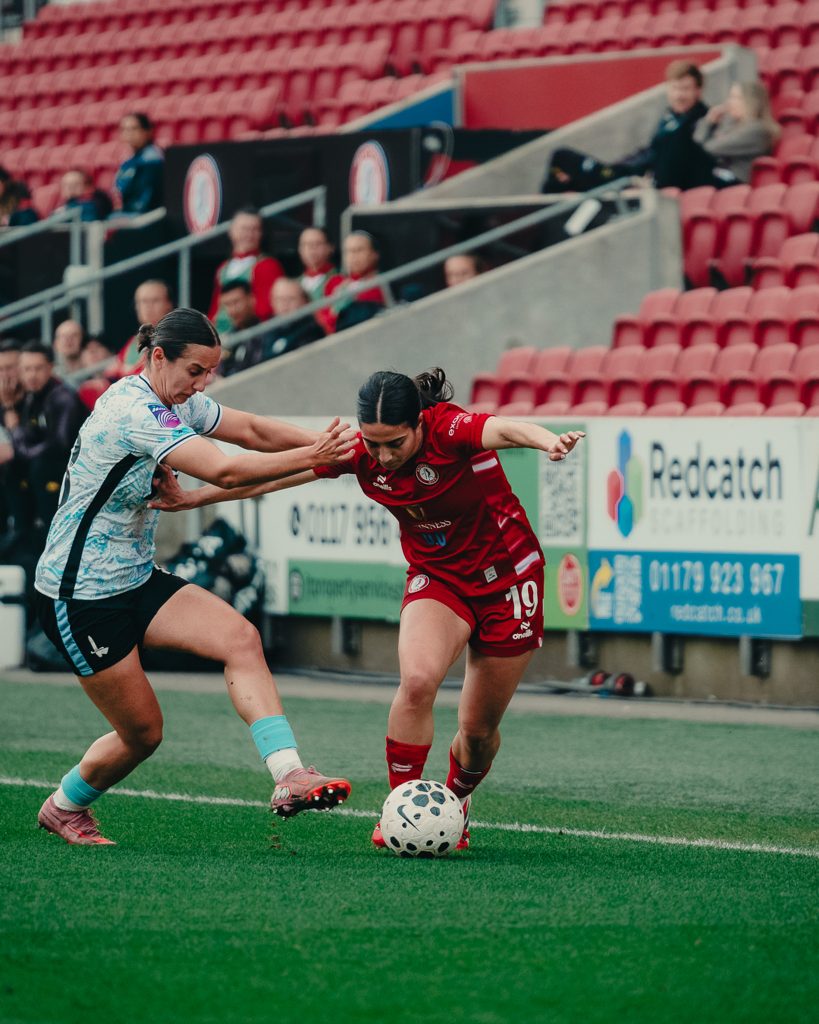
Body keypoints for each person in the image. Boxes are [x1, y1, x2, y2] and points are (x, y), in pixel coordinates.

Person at [149, 367, 585, 852]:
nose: (383, 456)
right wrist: (194, 498)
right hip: (439, 578)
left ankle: (457, 801)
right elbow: (278, 478)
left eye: (394, 443)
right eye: (374, 444)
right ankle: (403, 808)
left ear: (419, 424)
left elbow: (504, 429)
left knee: (478, 732)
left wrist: (549, 442)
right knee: (416, 681)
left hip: (510, 581)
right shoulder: (363, 454)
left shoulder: (449, 429)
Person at [33, 308, 356, 846]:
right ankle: (64, 807)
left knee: (240, 639)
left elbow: (251, 430)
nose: (203, 384)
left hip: (136, 578)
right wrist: (315, 454)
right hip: (79, 595)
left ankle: (290, 775)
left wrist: (335, 447)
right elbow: (224, 469)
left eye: (210, 371)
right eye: (196, 371)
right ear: (158, 357)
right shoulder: (134, 410)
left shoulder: (174, 396)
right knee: (142, 734)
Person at [541, 61, 711, 193]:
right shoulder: (670, 117)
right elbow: (650, 151)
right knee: (562, 167)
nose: (679, 95)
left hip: (633, 182)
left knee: (563, 160)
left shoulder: (699, 120)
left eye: (685, 89)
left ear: (698, 91)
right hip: (621, 172)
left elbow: (683, 163)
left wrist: (645, 182)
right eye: (675, 88)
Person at [8, 342, 88, 551]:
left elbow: (59, 445)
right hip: (47, 468)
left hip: (76, 471)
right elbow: (29, 439)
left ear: (50, 368)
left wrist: (17, 435)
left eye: (38, 368)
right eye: (27, 369)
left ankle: (49, 539)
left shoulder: (63, 397)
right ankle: (21, 533)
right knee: (11, 468)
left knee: (39, 466)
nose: (32, 375)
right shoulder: (31, 398)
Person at [224, 278, 324, 377]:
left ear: (304, 301)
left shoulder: (311, 330)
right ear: (272, 302)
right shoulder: (266, 333)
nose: (284, 304)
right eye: (279, 299)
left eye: (291, 299)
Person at [207, 208, 284, 334]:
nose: (249, 235)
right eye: (244, 229)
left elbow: (265, 310)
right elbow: (215, 310)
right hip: (219, 335)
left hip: (248, 334)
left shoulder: (267, 265)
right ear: (231, 231)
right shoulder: (223, 268)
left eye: (255, 229)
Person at [692, 81, 779, 187]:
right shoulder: (734, 123)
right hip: (721, 175)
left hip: (736, 182)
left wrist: (708, 122)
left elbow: (706, 150)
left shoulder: (756, 129)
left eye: (736, 98)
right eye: (730, 97)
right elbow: (697, 144)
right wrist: (710, 121)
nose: (729, 102)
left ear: (752, 102)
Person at [318, 231, 386, 335]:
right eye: (348, 251)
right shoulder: (334, 282)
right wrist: (335, 311)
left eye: (359, 250)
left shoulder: (383, 283)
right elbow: (323, 321)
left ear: (374, 254)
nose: (353, 256)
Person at [113, 112, 164, 216]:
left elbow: (146, 199)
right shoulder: (128, 162)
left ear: (147, 131)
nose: (129, 134)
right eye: (124, 129)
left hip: (147, 215)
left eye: (134, 129)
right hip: (129, 212)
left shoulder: (153, 160)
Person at [298, 226, 341, 302]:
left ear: (330, 248)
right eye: (306, 244)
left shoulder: (340, 279)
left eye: (317, 244)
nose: (311, 248)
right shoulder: (295, 284)